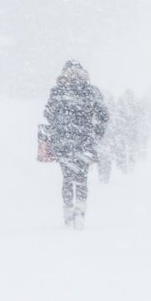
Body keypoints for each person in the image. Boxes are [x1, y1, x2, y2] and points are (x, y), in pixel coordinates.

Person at [44, 60, 109, 229]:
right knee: (81, 177)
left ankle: (68, 212)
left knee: (67, 178)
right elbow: (103, 114)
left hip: (63, 140)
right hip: (84, 141)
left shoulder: (58, 90)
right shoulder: (91, 90)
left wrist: (61, 124)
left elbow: (48, 113)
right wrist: (97, 132)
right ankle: (80, 210)